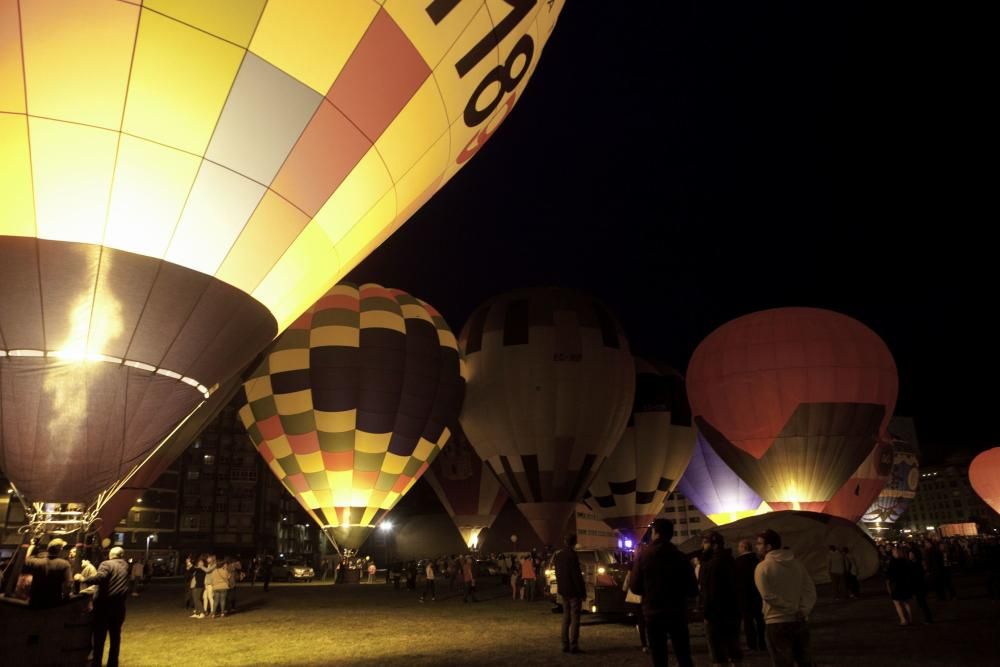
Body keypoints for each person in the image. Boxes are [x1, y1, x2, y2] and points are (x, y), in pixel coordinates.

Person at [629, 518, 698, 667]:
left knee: (659, 656)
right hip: (677, 612)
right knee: (683, 654)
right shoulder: (680, 557)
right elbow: (693, 588)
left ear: (655, 533)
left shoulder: (643, 557)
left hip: (653, 613)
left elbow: (634, 587)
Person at [754, 530, 817, 667]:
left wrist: (791, 609)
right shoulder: (797, 564)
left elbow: (767, 595)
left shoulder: (762, 567)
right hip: (799, 620)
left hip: (776, 621)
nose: (756, 547)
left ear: (769, 547)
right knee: (805, 662)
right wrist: (803, 610)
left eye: (759, 544)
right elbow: (810, 590)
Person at [78, 546, 130, 667]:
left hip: (104, 607)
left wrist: (83, 579)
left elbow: (100, 577)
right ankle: (113, 663)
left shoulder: (106, 564)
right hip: (119, 607)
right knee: (115, 637)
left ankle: (96, 663)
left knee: (99, 638)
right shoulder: (125, 565)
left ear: (111, 554)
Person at [700, 531, 743, 667]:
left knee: (718, 653)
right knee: (733, 647)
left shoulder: (712, 564)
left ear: (714, 545)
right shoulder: (731, 560)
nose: (702, 545)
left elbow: (709, 591)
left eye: (705, 542)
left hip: (716, 614)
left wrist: (706, 612)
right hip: (733, 612)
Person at [553, 533, 587, 654]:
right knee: (575, 618)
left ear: (565, 541)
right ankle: (573, 645)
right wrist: (582, 592)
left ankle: (564, 644)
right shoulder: (572, 556)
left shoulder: (558, 556)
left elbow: (557, 574)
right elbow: (576, 576)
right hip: (573, 592)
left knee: (566, 618)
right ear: (574, 543)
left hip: (563, 590)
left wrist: (561, 587)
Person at [22, 537, 74, 608]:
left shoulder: (36, 562)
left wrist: (33, 545)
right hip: (53, 602)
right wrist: (65, 597)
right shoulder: (64, 564)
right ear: (60, 549)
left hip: (35, 602)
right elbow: (68, 584)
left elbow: (26, 559)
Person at [735, 538, 766, 652]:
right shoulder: (757, 560)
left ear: (743, 548)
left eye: (739, 547)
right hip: (757, 594)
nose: (738, 549)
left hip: (744, 596)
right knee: (760, 620)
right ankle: (762, 642)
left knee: (748, 621)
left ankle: (751, 644)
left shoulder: (738, 562)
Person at [886, 546, 914, 626]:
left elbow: (889, 575)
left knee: (897, 603)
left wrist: (888, 585)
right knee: (906, 603)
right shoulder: (905, 561)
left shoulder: (892, 562)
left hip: (896, 585)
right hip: (905, 584)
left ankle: (903, 620)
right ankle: (910, 619)